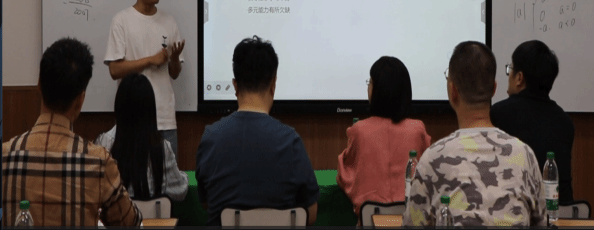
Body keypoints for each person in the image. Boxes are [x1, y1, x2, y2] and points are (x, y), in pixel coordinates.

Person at [402, 41, 547, 227]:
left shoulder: (432, 159)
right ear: (494, 89)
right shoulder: (525, 156)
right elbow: (542, 223)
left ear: (453, 91)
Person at [2, 37, 142, 227]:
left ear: (39, 86)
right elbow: (131, 224)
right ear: (80, 100)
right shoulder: (99, 162)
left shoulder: (5, 155)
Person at [195, 35, 319, 226]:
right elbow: (310, 214)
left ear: (235, 86)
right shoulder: (291, 141)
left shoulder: (210, 138)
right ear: (273, 85)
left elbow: (206, 203)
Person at [105, 0, 185, 160]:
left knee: (169, 178)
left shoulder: (169, 21)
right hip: (132, 120)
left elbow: (175, 74)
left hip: (165, 120)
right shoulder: (122, 20)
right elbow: (114, 70)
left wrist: (174, 59)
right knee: (129, 176)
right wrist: (150, 60)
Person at [337, 56, 431, 220]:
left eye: (370, 83)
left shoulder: (360, 130)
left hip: (371, 220)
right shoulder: (418, 129)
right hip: (411, 221)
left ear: (377, 90)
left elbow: (345, 175)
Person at [491, 40, 575, 204]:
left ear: (519, 78)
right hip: (561, 213)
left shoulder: (498, 114)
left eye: (510, 69)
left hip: (515, 211)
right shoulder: (565, 123)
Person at [95, 73, 189, 201]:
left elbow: (96, 189)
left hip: (116, 214)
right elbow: (180, 192)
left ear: (118, 106)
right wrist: (184, 177)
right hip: (153, 214)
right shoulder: (162, 147)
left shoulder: (103, 143)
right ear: (152, 108)